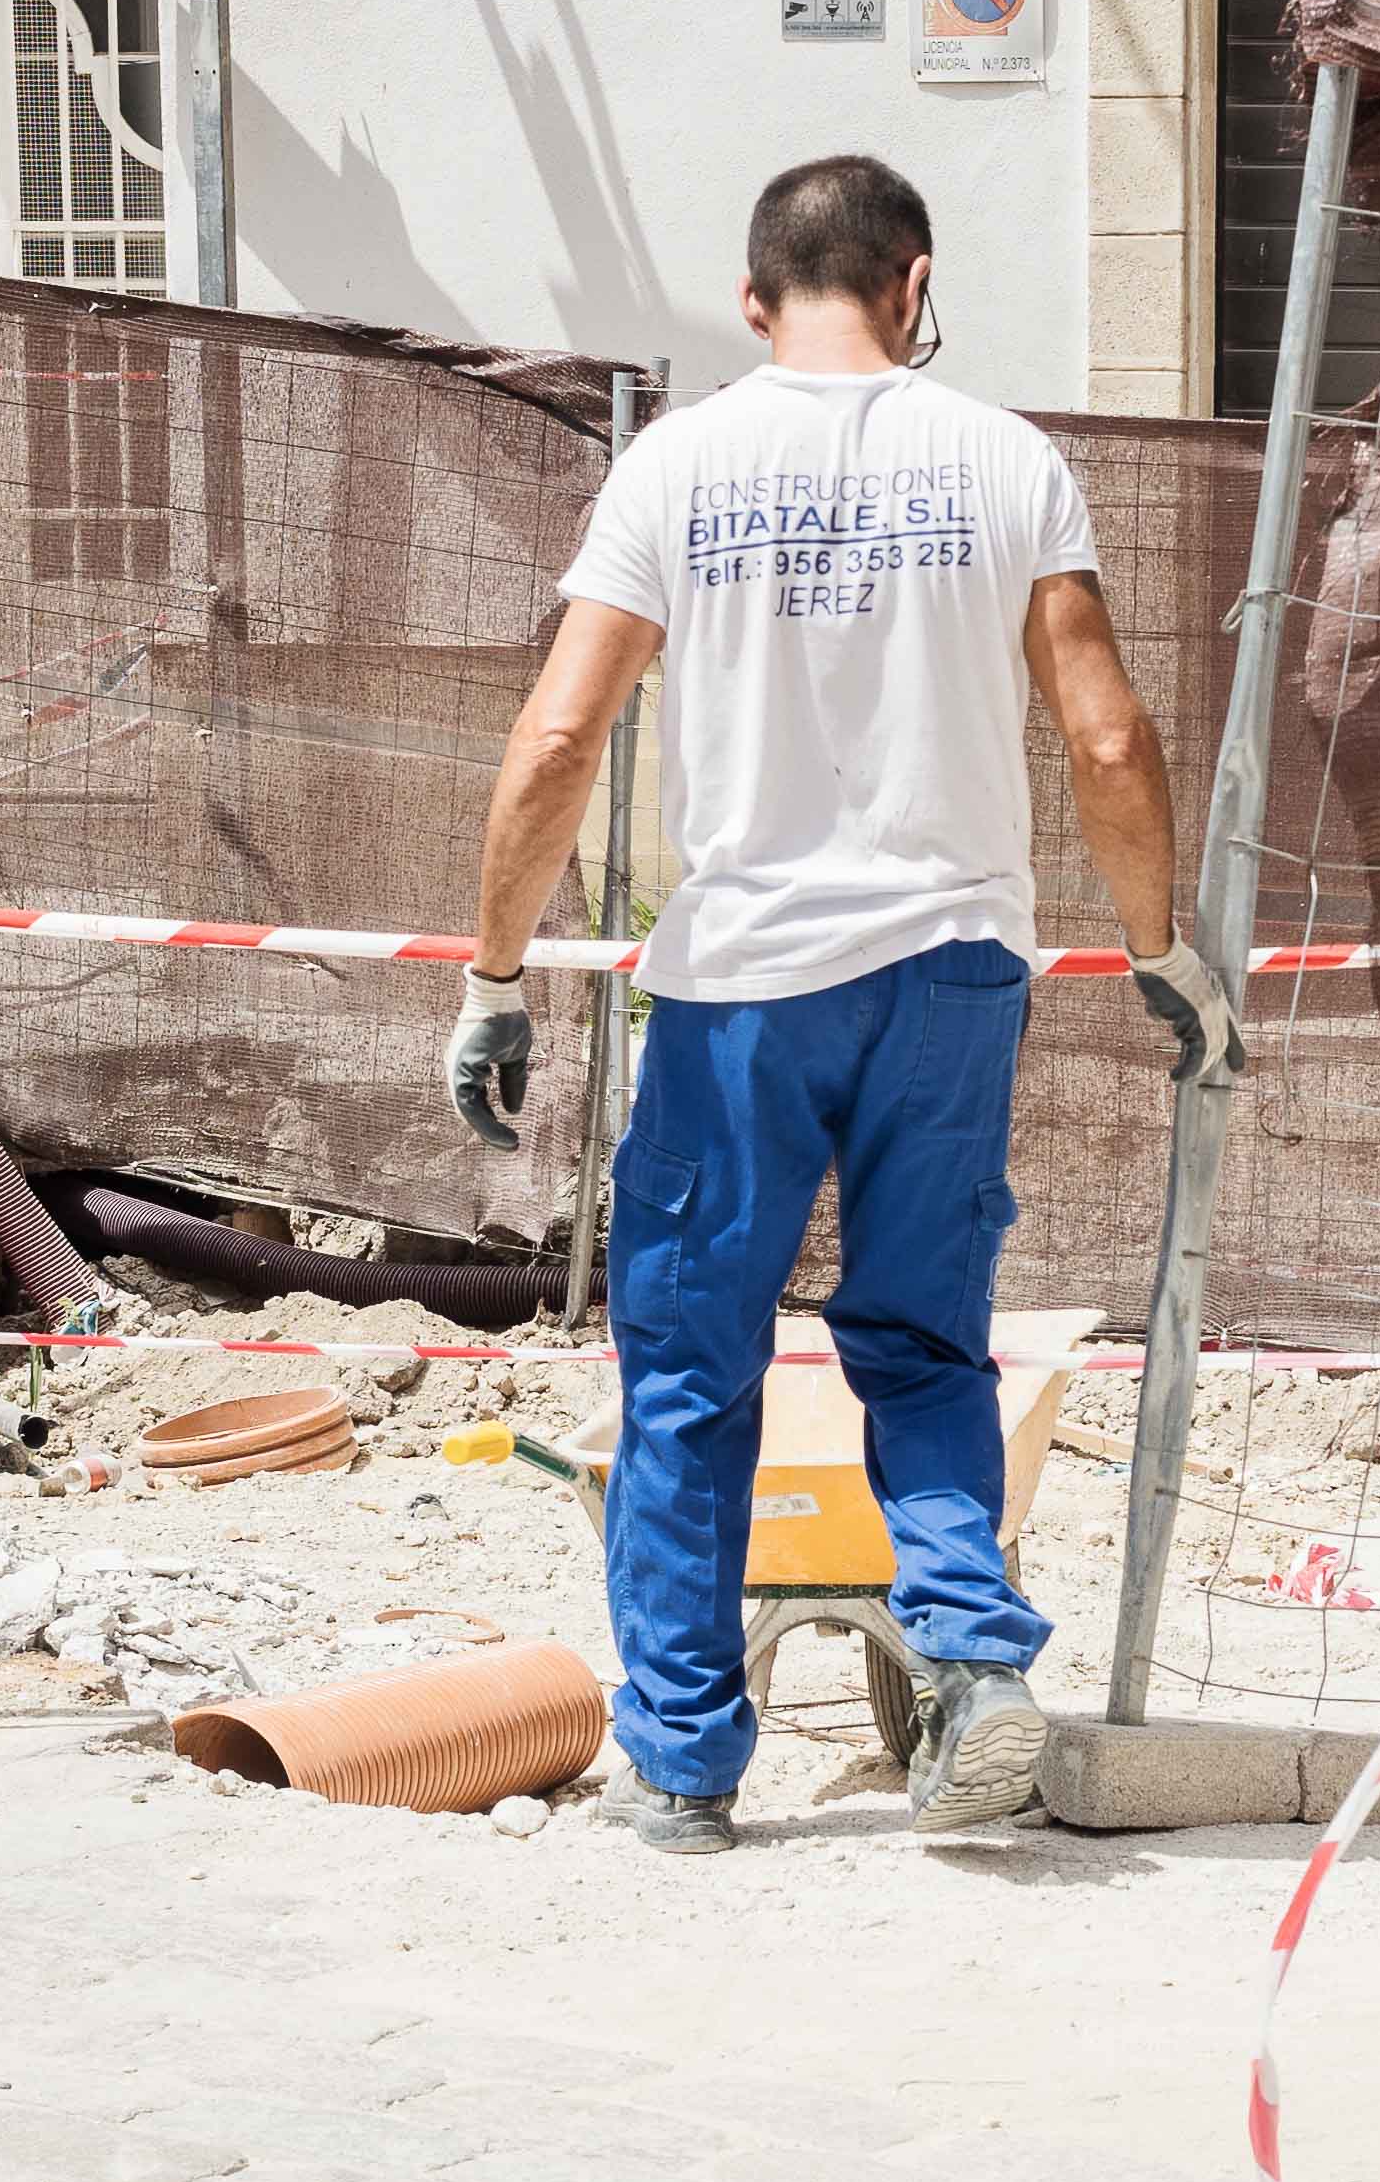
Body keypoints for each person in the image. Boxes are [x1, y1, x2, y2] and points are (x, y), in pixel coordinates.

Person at [445, 154, 1241, 1850]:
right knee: (923, 1341)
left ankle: (683, 1765)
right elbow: (1106, 734)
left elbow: (558, 740)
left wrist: (497, 974)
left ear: (752, 301)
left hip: (741, 991)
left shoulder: (678, 464)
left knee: (686, 1369)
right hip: (952, 976)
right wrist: (1165, 947)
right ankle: (969, 1653)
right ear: (916, 282)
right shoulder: (1007, 460)